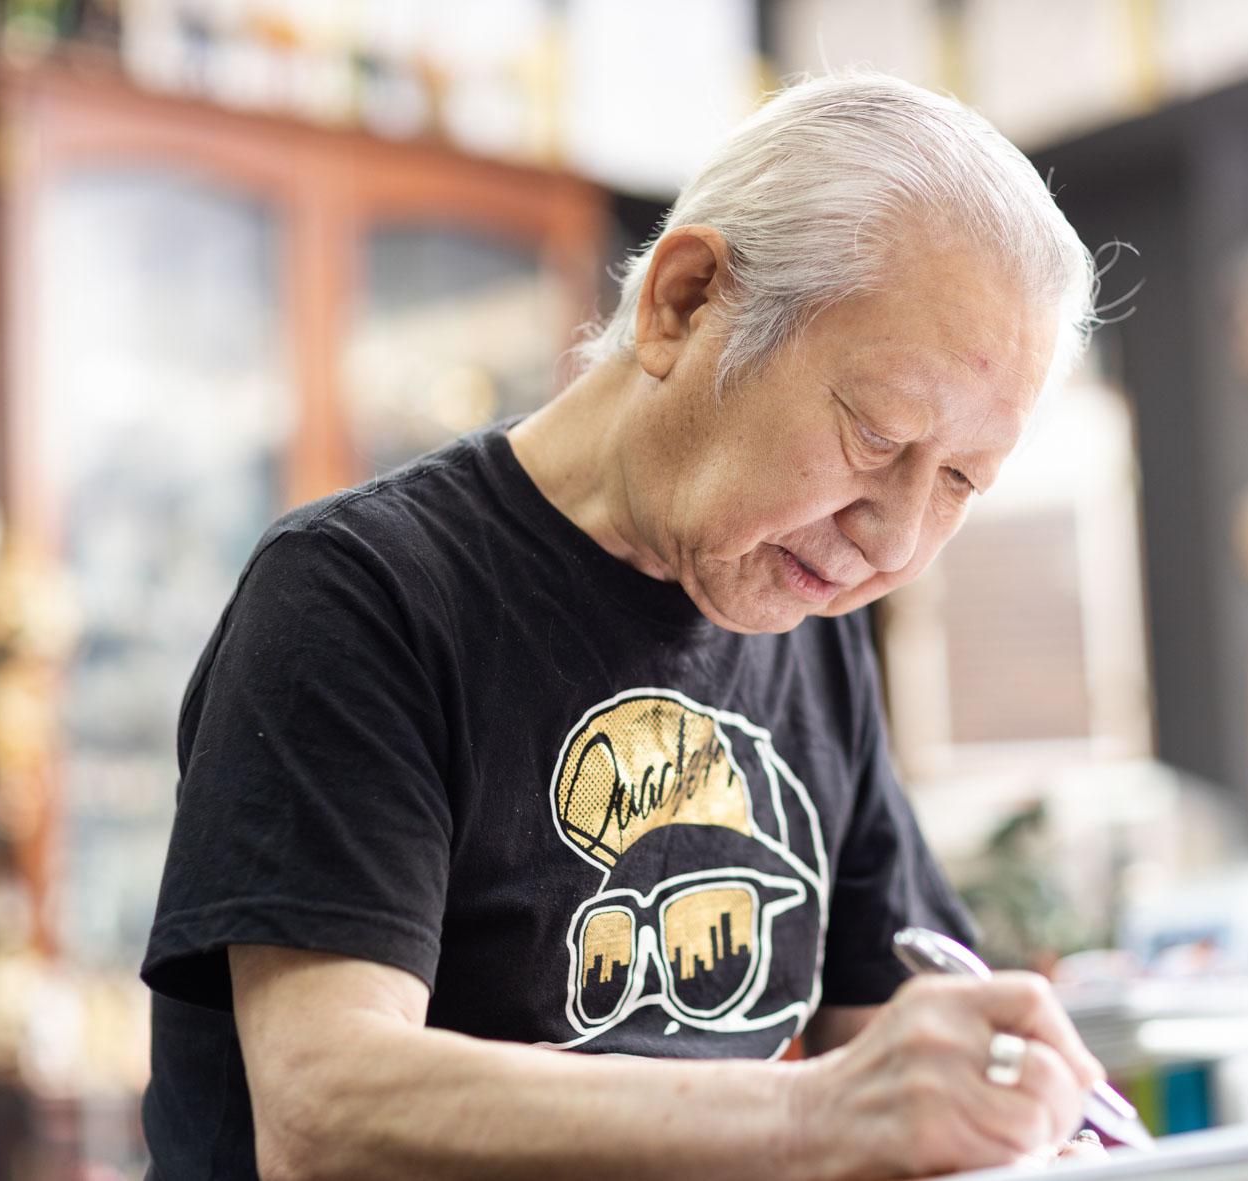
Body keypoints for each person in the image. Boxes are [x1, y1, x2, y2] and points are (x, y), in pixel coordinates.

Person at [140, 71, 1107, 1180]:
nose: (891, 542)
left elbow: (896, 1020)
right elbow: (325, 1107)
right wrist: (813, 1117)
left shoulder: (801, 621)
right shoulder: (361, 595)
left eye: (957, 485)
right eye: (876, 439)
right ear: (684, 302)